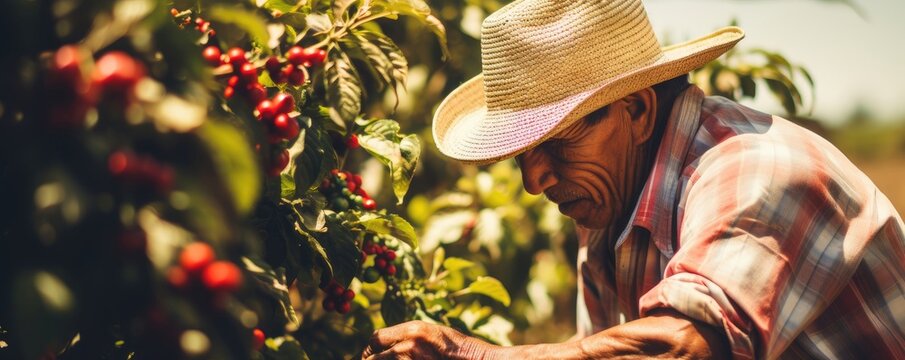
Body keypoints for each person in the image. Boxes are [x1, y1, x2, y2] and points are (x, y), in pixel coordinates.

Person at [362, 0, 905, 358]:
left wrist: (473, 353)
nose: (534, 180)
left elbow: (680, 348)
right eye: (521, 154)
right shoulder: (607, 206)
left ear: (639, 112)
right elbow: (601, 350)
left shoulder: (756, 172)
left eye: (556, 141)